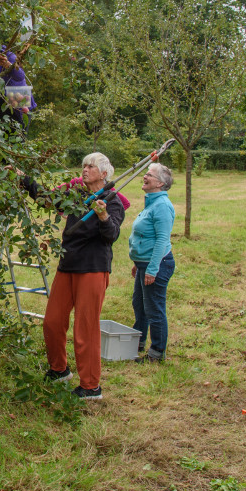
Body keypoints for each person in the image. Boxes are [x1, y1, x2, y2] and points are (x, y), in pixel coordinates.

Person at [21, 153, 129, 400]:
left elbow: (111, 235)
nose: (85, 169)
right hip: (68, 263)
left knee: (85, 328)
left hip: (92, 268)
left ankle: (91, 387)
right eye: (84, 165)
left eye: (91, 166)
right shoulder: (76, 193)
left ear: (104, 174)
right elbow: (48, 200)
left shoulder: (112, 201)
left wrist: (102, 216)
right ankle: (59, 370)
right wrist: (24, 180)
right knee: (52, 321)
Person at [128, 162, 176, 363]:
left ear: (160, 183)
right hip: (144, 264)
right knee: (139, 304)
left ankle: (156, 352)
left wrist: (152, 269)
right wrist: (138, 263)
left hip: (156, 265)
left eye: (149, 174)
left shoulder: (163, 206)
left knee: (154, 308)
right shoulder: (152, 202)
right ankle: (137, 342)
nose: (144, 176)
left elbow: (162, 240)